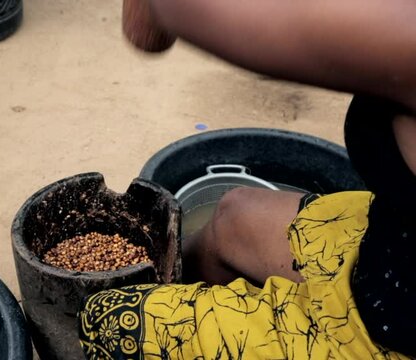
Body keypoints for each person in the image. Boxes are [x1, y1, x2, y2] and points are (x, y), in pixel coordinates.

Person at [78, 0, 416, 359]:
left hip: (386, 340)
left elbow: (161, 20)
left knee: (107, 320)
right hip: (387, 252)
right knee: (234, 214)